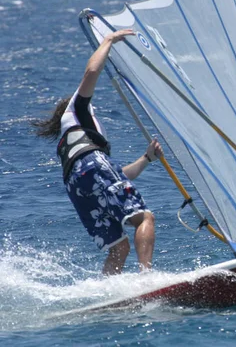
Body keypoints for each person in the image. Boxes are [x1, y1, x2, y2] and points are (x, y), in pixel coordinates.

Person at [32, 29, 163, 276]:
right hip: (93, 166)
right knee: (145, 218)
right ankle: (147, 278)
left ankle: (111, 292)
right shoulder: (75, 109)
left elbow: (117, 176)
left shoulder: (74, 140)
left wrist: (147, 159)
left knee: (119, 248)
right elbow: (92, 72)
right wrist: (108, 40)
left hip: (76, 184)